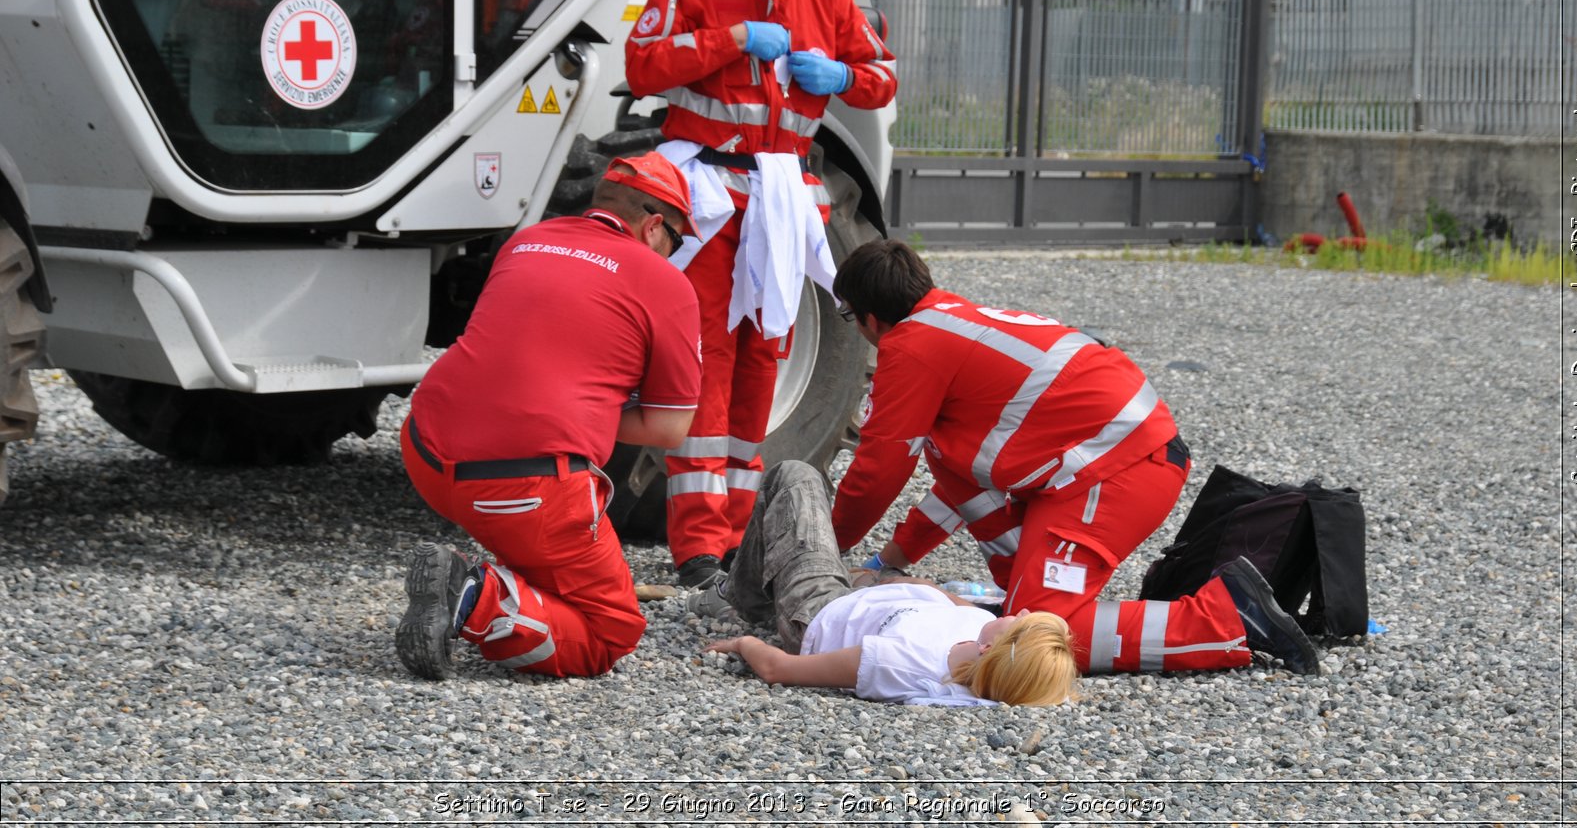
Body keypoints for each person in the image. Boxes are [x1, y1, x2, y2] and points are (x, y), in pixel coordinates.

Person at [826, 239, 1321, 677]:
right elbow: (957, 488)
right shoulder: (952, 325)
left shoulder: (911, 347)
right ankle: (1027, 592)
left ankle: (1230, 618)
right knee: (1009, 608)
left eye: (850, 318)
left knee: (1028, 644)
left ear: (869, 318)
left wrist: (827, 551)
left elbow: (879, 468)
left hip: (1116, 470)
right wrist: (888, 563)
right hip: (1113, 462)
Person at [624, 0, 898, 589]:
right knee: (704, 360)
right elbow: (645, 65)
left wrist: (839, 75)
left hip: (778, 192)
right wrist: (733, 37)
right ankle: (696, 547)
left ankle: (741, 538)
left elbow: (881, 77)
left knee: (762, 360)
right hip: (709, 193)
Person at [395, 153, 702, 680]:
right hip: (521, 488)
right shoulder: (664, 283)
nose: (673, 254)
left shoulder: (526, 239)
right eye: (676, 241)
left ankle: (504, 583)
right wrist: (593, 409)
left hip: (424, 446)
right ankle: (471, 595)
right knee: (610, 631)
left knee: (539, 549)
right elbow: (671, 427)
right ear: (654, 226)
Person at [693, 460, 1078, 707]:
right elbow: (1052, 642)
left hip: (818, 609)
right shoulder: (986, 642)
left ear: (992, 647)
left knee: (797, 477)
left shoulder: (898, 662)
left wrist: (744, 643)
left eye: (1022, 620)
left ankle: (742, 597)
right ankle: (767, 584)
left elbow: (780, 670)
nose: (1023, 610)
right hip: (869, 597)